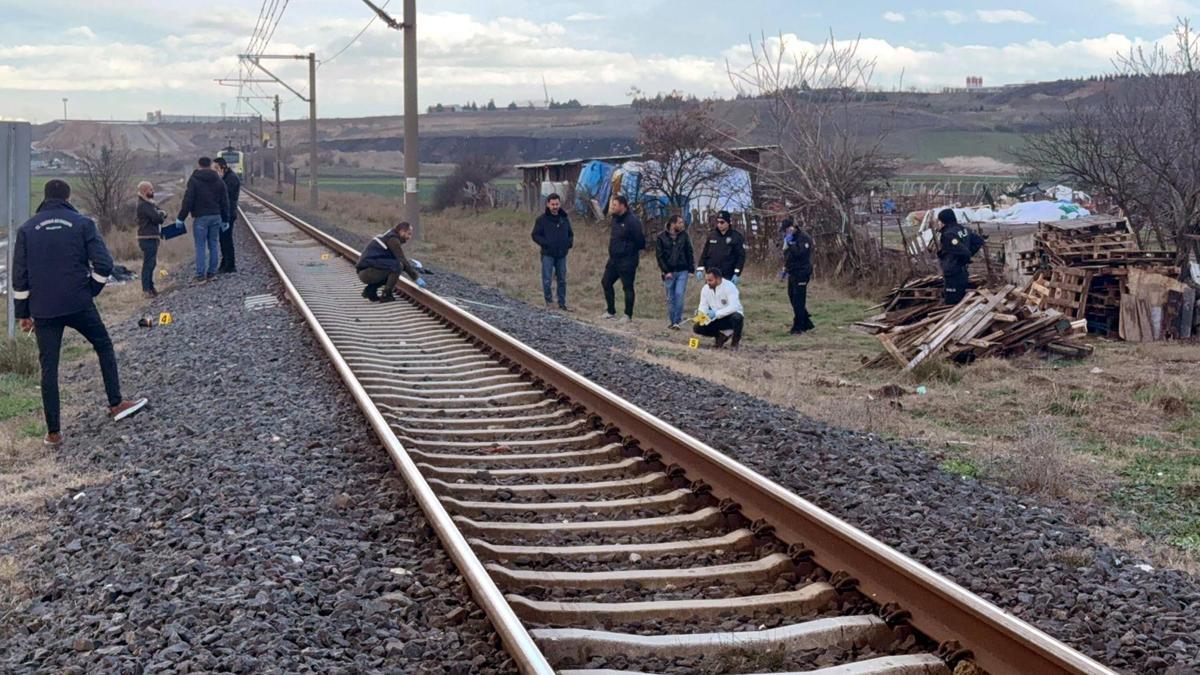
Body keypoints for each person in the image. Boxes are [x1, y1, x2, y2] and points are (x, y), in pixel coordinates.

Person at [12, 179, 148, 446]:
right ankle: (116, 403)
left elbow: (20, 276)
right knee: (104, 346)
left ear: (45, 198)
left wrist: (24, 313)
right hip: (78, 303)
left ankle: (54, 433)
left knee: (48, 368)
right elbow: (105, 264)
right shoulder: (83, 224)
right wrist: (91, 290)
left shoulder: (26, 229)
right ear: (67, 196)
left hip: (44, 310)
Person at [175, 156, 230, 283]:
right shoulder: (219, 180)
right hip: (216, 216)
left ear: (199, 165)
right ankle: (211, 273)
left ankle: (200, 275)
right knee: (214, 244)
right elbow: (224, 201)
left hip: (200, 217)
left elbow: (188, 200)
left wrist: (181, 218)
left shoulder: (194, 180)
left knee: (200, 246)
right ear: (210, 165)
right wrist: (225, 219)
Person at [600, 195, 645, 322]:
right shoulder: (614, 219)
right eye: (612, 205)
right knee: (606, 282)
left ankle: (627, 315)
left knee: (627, 286)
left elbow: (641, 242)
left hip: (627, 260)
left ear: (622, 205)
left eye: (615, 205)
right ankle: (610, 311)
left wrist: (627, 249)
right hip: (614, 259)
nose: (612, 207)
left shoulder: (632, 221)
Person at [355, 221, 425, 302]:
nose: (410, 237)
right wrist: (416, 277)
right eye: (408, 234)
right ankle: (386, 294)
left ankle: (370, 291)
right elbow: (401, 259)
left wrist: (411, 267)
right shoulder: (393, 240)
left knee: (394, 267)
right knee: (398, 266)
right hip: (367, 273)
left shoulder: (390, 236)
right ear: (402, 231)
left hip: (367, 271)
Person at [530, 193, 573, 311]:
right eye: (553, 204)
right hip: (548, 254)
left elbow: (570, 234)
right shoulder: (542, 220)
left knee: (562, 279)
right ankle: (549, 302)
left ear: (560, 204)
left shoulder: (564, 218)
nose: (555, 206)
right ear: (548, 204)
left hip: (561, 255)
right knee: (547, 279)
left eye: (557, 204)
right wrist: (545, 243)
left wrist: (568, 244)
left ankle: (562, 303)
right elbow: (535, 235)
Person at [655, 214, 694, 330]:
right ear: (673, 224)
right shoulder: (661, 237)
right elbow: (659, 256)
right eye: (680, 222)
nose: (682, 225)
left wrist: (691, 269)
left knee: (679, 294)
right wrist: (665, 271)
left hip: (682, 270)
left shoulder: (684, 236)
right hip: (669, 272)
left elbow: (689, 252)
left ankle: (677, 321)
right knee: (670, 298)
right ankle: (672, 321)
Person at [694, 267, 744, 349]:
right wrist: (700, 313)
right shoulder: (705, 289)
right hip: (716, 319)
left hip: (729, 317)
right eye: (707, 280)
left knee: (737, 318)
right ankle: (720, 336)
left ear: (718, 279)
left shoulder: (730, 287)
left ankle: (735, 342)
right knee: (697, 328)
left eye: (710, 280)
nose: (707, 282)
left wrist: (716, 313)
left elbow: (735, 306)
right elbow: (703, 305)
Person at [781, 218, 815, 334]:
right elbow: (788, 255)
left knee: (799, 299)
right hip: (793, 271)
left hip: (802, 271)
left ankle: (798, 326)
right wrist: (785, 267)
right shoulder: (790, 239)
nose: (786, 233)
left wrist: (791, 244)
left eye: (787, 230)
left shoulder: (803, 238)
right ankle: (806, 321)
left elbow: (800, 254)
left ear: (792, 227)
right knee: (792, 296)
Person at [697, 210, 746, 285]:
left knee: (724, 296)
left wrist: (737, 273)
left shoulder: (736, 237)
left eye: (722, 222)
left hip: (727, 275)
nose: (719, 224)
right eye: (718, 222)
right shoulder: (712, 235)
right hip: (712, 273)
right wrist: (700, 268)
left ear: (728, 222)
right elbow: (705, 253)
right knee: (710, 295)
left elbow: (740, 257)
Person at [135, 181, 166, 298]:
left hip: (152, 236)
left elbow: (159, 213)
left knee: (152, 263)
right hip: (146, 238)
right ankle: (146, 289)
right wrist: (161, 214)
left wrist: (161, 213)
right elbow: (157, 218)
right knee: (148, 264)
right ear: (144, 191)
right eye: (150, 190)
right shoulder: (144, 205)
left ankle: (151, 287)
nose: (153, 192)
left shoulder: (149, 204)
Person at [936, 208, 973, 305]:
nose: (938, 223)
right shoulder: (964, 229)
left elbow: (964, 251)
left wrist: (963, 259)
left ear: (944, 221)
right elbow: (978, 241)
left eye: (939, 221)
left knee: (952, 301)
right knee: (961, 297)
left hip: (953, 272)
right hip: (962, 271)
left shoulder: (949, 234)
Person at [213, 157, 240, 274]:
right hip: (224, 213)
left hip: (228, 214)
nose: (215, 171)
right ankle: (225, 263)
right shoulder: (226, 178)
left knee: (227, 239)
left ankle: (230, 265)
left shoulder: (231, 179)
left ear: (223, 168)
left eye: (216, 168)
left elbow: (226, 197)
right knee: (223, 240)